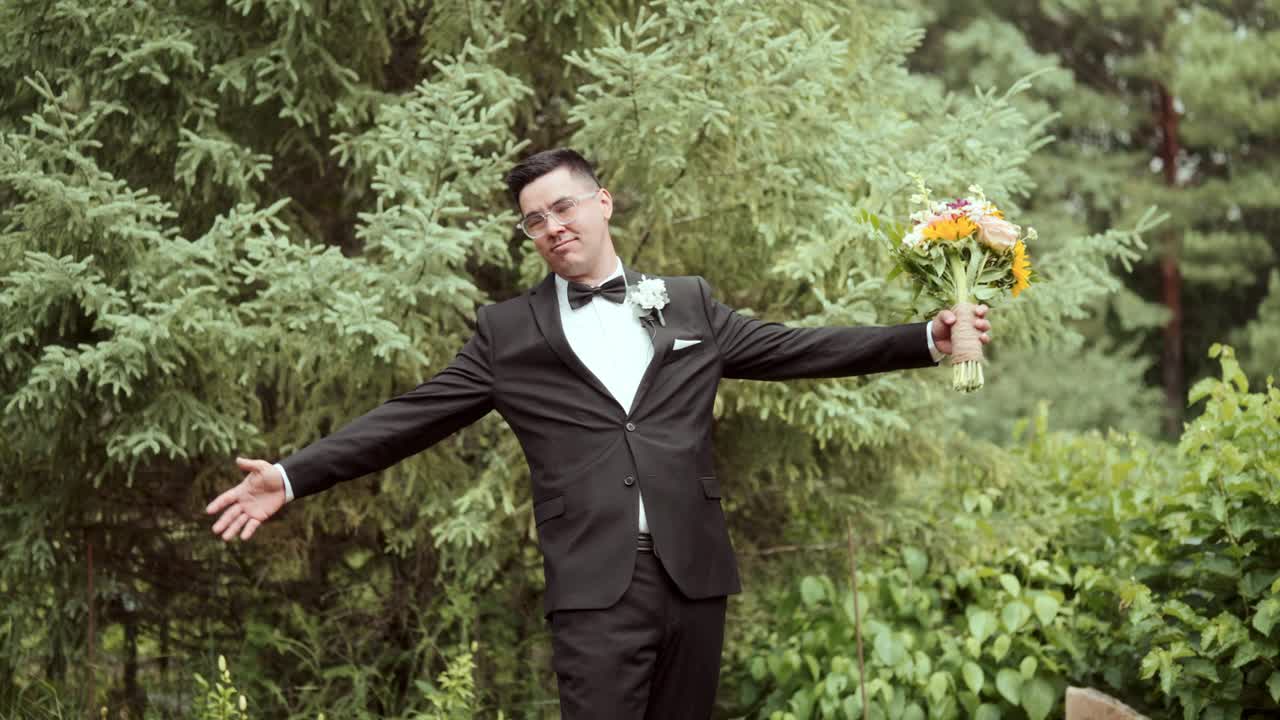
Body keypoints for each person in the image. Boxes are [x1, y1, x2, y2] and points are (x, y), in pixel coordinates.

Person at [206, 148, 992, 718]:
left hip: (695, 577)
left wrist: (923, 336)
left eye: (563, 207)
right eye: (533, 221)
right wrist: (292, 473)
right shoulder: (506, 333)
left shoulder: (684, 303)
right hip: (594, 591)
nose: (550, 227)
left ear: (603, 203)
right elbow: (411, 417)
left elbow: (795, 348)